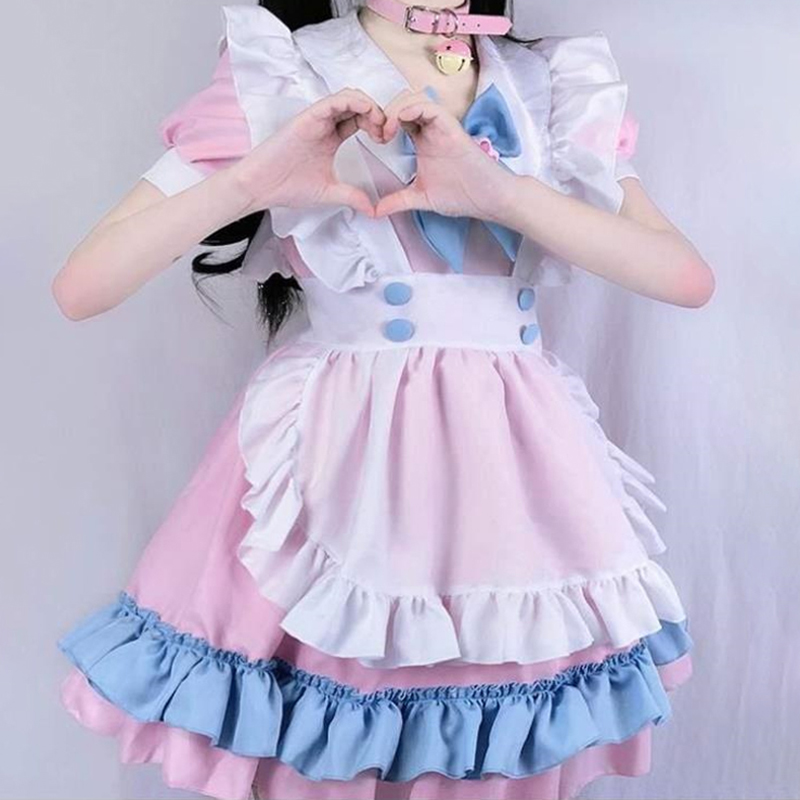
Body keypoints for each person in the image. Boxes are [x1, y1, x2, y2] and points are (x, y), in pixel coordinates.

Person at [53, 1, 713, 798]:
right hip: (345, 458)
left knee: (495, 745)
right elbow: (83, 285)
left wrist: (502, 194)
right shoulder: (286, 71)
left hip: (515, 467)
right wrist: (253, 180)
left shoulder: (551, 84)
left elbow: (684, 277)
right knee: (329, 743)